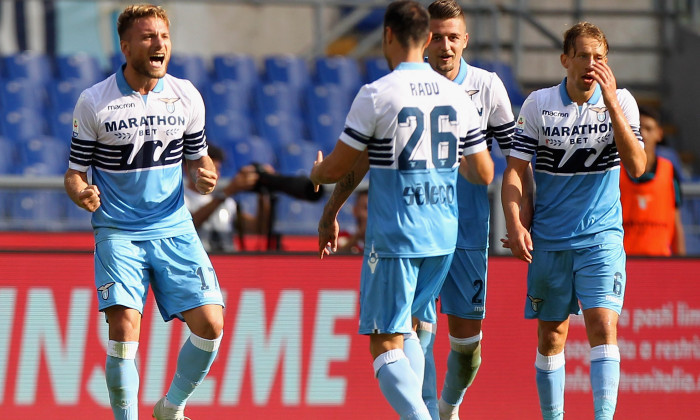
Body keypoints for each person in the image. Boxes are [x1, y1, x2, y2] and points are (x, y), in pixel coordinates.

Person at [310, 1, 493, 418]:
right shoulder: (455, 94)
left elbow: (342, 165)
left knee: (383, 343)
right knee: (405, 324)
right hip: (443, 237)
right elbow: (484, 173)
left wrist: (318, 170)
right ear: (428, 39)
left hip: (397, 237)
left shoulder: (377, 94)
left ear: (387, 36)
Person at [63, 5, 224, 420]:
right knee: (123, 331)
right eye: (149, 37)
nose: (159, 45)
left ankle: (171, 407)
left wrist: (206, 175)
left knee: (211, 325)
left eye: (164, 37)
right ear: (126, 45)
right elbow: (74, 174)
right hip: (118, 232)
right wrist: (82, 193)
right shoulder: (94, 101)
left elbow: (199, 162)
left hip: (174, 227)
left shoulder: (186, 95)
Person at [501, 22, 646, 420]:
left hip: (601, 237)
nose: (591, 64)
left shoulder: (624, 102)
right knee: (552, 335)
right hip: (550, 239)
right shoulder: (538, 105)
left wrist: (612, 104)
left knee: (603, 326)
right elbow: (514, 172)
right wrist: (514, 222)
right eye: (582, 55)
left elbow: (636, 166)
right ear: (565, 60)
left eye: (599, 57)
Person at [418, 2, 528, 418]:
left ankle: (448, 406)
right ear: (424, 39)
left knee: (466, 349)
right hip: (419, 231)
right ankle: (425, 412)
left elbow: (516, 162)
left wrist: (520, 220)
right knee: (419, 334)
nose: (445, 46)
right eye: (436, 36)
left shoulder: (487, 86)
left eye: (453, 37)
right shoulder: (406, 86)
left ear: (465, 40)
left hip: (468, 233)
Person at [619, 105, 686, 256]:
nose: (643, 133)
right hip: (624, 260)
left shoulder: (669, 171)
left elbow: (677, 223)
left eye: (649, 128)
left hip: (661, 260)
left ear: (659, 134)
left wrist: (681, 261)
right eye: (639, 128)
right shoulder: (616, 171)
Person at [184, 144, 273, 253]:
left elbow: (257, 228)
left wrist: (263, 194)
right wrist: (228, 191)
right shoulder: (180, 198)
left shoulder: (227, 202)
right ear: (188, 168)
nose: (216, 175)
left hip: (229, 263)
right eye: (211, 169)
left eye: (218, 169)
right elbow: (191, 225)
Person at [335, 187, 368, 254]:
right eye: (366, 208)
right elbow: (334, 258)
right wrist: (357, 237)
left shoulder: (386, 238)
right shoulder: (343, 235)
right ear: (355, 210)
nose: (370, 214)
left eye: (374, 209)